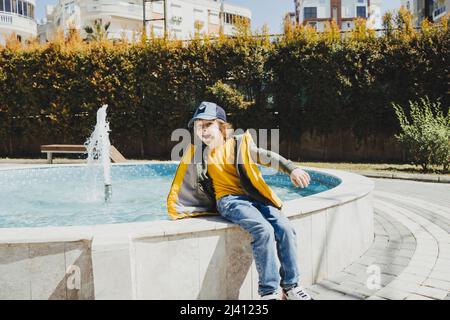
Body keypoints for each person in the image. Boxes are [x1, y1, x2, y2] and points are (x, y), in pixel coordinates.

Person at [167, 101, 313, 300]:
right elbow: (184, 185)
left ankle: (291, 286)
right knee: (263, 230)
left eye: (207, 125)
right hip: (229, 200)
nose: (202, 130)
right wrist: (183, 208)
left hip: (254, 198)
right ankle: (268, 292)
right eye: (198, 126)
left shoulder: (238, 144)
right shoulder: (198, 154)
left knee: (285, 228)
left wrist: (291, 168)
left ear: (221, 125)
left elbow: (265, 156)